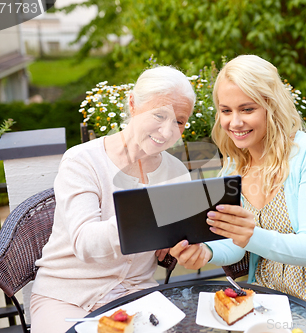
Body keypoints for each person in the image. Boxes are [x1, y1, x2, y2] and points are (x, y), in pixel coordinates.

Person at [170, 55, 306, 333]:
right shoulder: (234, 164)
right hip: (267, 295)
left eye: (247, 109)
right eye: (226, 110)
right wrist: (205, 251)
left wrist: (251, 234)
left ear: (271, 106)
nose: (235, 122)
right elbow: (236, 244)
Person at [30, 66, 195, 333]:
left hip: (135, 293)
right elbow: (85, 243)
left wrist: (175, 243)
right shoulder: (82, 161)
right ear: (132, 104)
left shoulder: (176, 172)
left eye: (179, 121)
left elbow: (168, 250)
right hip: (67, 294)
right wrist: (144, 215)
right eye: (159, 115)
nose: (167, 132)